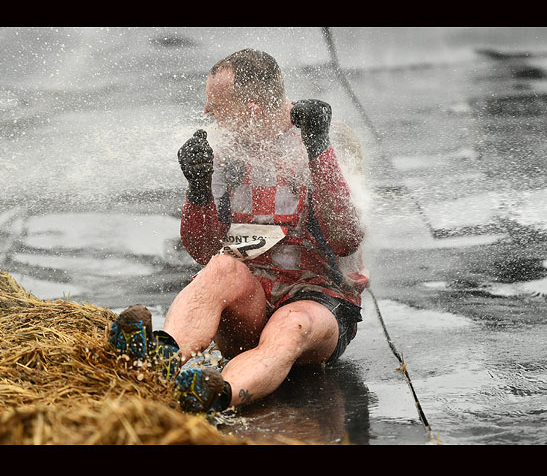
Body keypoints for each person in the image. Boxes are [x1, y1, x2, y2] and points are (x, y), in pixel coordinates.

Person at [110, 49, 369, 414]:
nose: (206, 113)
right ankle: (158, 360)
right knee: (219, 268)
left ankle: (216, 393)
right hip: (251, 298)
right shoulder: (222, 147)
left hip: (319, 303)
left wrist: (319, 151)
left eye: (216, 105)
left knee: (290, 325)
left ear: (252, 111)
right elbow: (203, 251)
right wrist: (198, 189)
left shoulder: (328, 139)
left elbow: (347, 239)